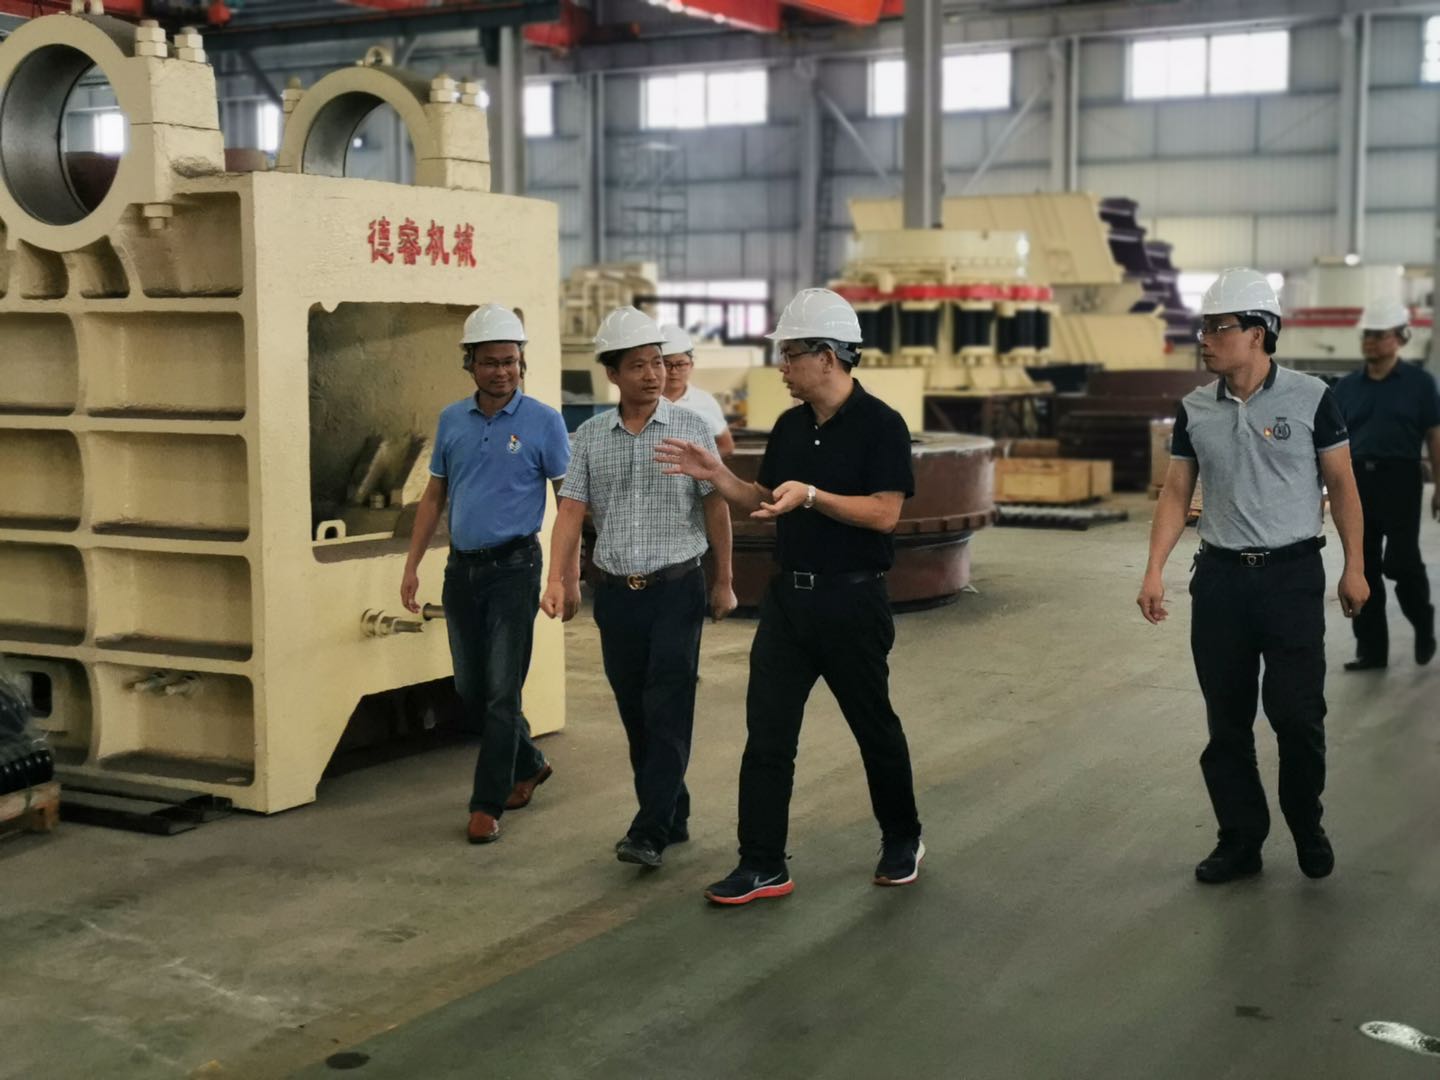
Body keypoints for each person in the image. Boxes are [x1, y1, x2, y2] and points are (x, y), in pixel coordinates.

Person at [656, 287, 923, 906]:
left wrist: (815, 497)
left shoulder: (882, 425)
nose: (782, 366)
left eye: (791, 353)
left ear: (828, 357)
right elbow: (765, 498)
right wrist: (717, 476)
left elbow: (885, 514)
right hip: (789, 605)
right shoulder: (790, 426)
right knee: (768, 735)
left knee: (874, 727)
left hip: (853, 602)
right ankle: (762, 862)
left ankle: (902, 837)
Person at [1136, 268, 1368, 885]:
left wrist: (1355, 566)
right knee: (1227, 722)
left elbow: (1342, 484)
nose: (1205, 339)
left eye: (1219, 327)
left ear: (1259, 332)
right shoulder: (1195, 409)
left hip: (1291, 579)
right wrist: (1154, 569)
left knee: (1297, 716)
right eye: (1203, 328)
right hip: (1220, 583)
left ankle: (1306, 823)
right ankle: (1240, 839)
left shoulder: (1312, 397)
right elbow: (1175, 491)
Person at [541, 306, 737, 869]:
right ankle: (672, 811)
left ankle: (648, 830)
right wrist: (559, 578)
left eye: (658, 363)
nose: (653, 374)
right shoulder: (589, 437)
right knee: (635, 709)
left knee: (667, 705)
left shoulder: (691, 429)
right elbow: (571, 511)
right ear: (612, 373)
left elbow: (717, 507)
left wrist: (723, 580)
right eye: (638, 365)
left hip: (677, 588)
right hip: (616, 596)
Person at [400, 304, 572, 845]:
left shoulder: (543, 421)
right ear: (470, 364)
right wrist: (412, 564)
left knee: (502, 692)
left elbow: (568, 500)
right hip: (462, 570)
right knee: (471, 689)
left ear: (522, 363)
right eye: (491, 362)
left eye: (510, 361)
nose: (502, 371)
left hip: (515, 569)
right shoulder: (452, 420)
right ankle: (531, 762)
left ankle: (485, 803)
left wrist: (565, 575)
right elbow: (434, 495)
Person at [1332, 299, 1440, 671]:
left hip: (1401, 479)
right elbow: (1332, 442)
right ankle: (1372, 651)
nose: (1371, 341)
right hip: (1357, 481)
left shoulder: (1419, 384)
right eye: (1367, 335)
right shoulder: (1347, 387)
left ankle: (1423, 623)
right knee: (1362, 566)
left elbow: (1435, 435)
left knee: (1401, 561)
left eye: (1379, 335)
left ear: (1400, 338)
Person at [660, 324, 736, 457]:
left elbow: (726, 446)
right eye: (667, 364)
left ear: (691, 365)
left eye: (680, 364)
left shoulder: (705, 401)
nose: (673, 371)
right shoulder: (646, 400)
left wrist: (700, 462)